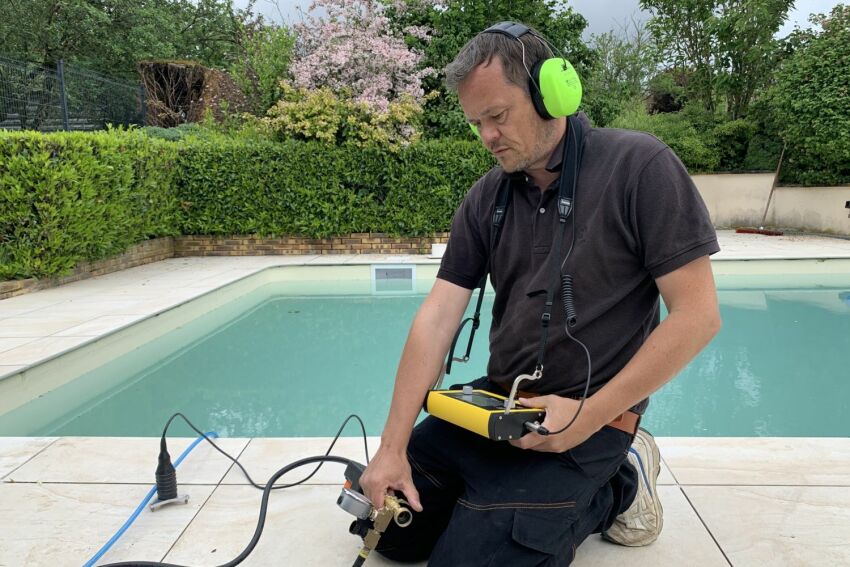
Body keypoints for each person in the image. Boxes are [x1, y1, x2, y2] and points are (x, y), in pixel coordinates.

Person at [359, 21, 721, 565]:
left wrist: (589, 417)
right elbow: (438, 316)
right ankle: (485, 502)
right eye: (476, 123)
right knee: (389, 530)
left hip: (590, 418)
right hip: (499, 406)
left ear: (554, 93)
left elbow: (698, 316)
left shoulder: (640, 167)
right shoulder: (486, 197)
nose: (487, 136)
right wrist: (391, 449)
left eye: (498, 116)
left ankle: (620, 482)